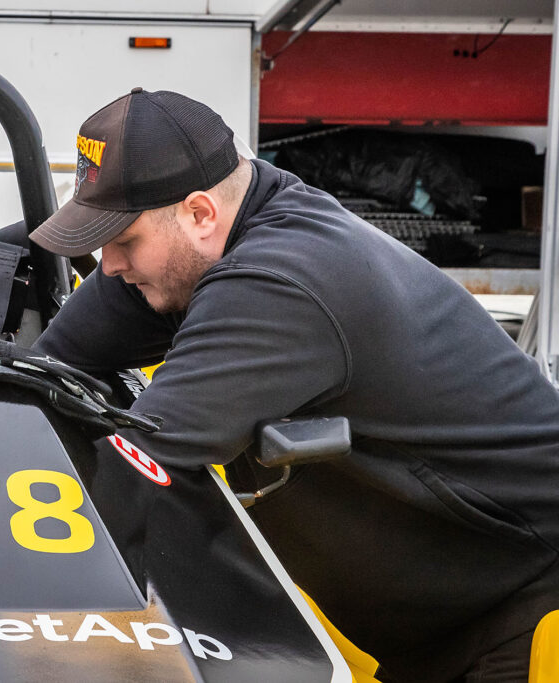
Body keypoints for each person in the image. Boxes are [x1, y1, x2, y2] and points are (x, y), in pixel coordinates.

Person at [29, 88, 559, 683]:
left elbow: (138, 465)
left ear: (201, 214)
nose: (108, 266)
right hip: (427, 621)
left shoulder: (283, 280)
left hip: (525, 604)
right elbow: (46, 371)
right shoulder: (193, 247)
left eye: (124, 241)